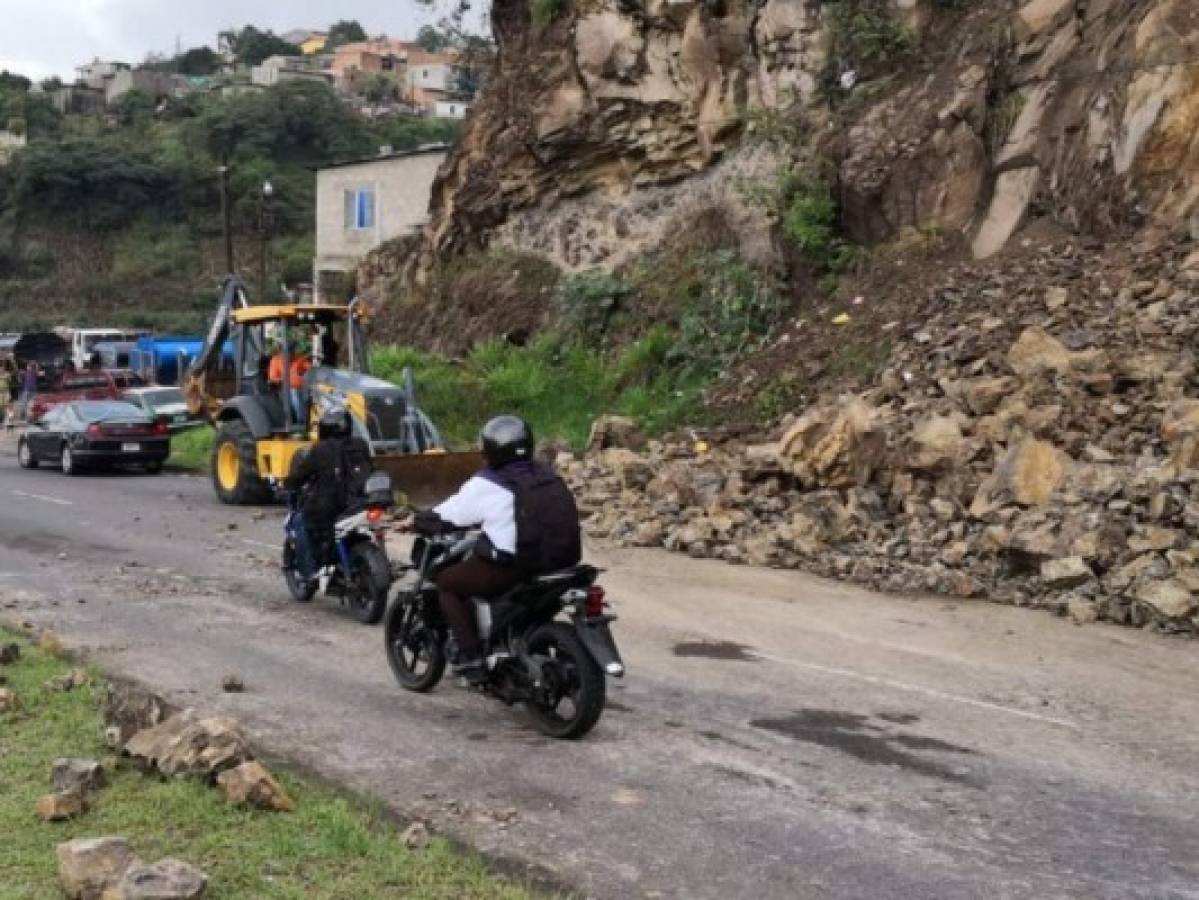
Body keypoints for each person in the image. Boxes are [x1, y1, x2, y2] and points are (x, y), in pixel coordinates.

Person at [410, 415, 582, 681]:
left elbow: (451, 514)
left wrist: (417, 521)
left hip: (514, 568)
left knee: (447, 583)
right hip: (560, 563)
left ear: (490, 450)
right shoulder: (547, 475)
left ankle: (470, 656)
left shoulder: (489, 482)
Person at [283, 406, 371, 578]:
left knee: (300, 522)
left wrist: (287, 484)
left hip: (332, 506)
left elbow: (299, 475)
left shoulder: (320, 450)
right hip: (360, 502)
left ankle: (310, 571)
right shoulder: (361, 445)